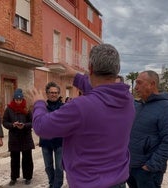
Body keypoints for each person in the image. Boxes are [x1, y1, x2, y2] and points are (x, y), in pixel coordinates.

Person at [30, 43, 135, 188]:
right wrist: (76, 77)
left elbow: (42, 127)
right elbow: (103, 91)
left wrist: (39, 104)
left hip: (89, 183)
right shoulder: (127, 99)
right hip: (118, 181)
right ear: (117, 69)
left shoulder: (80, 106)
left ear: (90, 68)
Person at [127, 70, 168, 188]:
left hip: (148, 172)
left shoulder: (167, 108)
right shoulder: (138, 106)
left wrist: (150, 166)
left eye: (139, 83)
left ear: (152, 84)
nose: (136, 88)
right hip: (131, 167)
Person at [3, 88, 35, 186]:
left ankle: (28, 177)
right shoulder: (8, 109)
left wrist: (24, 125)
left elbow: (33, 122)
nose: (18, 101)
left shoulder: (27, 108)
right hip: (14, 138)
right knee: (14, 159)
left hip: (26, 137)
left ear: (22, 99)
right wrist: (12, 125)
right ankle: (14, 177)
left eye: (20, 100)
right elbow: (4, 122)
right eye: (16, 100)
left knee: (27, 159)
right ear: (14, 99)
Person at [37, 81, 64, 188]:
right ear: (47, 94)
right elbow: (38, 121)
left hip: (59, 141)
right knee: (48, 166)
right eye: (51, 92)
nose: (53, 94)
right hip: (45, 141)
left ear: (58, 94)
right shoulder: (42, 107)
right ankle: (52, 183)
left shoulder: (63, 107)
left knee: (59, 167)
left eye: (56, 92)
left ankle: (57, 186)